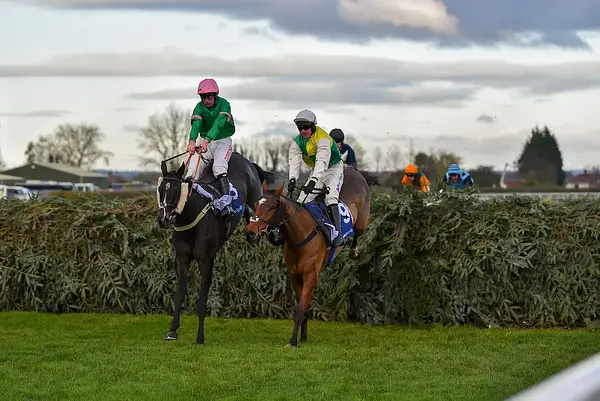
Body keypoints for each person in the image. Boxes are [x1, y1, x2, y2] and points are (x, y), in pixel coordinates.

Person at [288, 109, 345, 246]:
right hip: (317, 171)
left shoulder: (323, 138)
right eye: (300, 128)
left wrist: (313, 181)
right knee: (302, 199)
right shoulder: (297, 142)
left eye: (306, 127)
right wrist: (292, 179)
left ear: (313, 126)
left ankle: (338, 234)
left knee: (331, 198)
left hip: (333, 169)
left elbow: (322, 162)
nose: (303, 131)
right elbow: (294, 161)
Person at [184, 78, 236, 215]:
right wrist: (192, 141)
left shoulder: (224, 104)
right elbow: (196, 125)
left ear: (215, 95)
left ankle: (226, 202)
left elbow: (218, 123)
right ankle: (186, 199)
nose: (206, 100)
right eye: (203, 97)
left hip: (223, 141)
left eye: (209, 97)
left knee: (218, 167)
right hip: (206, 141)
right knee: (192, 168)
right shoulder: (199, 107)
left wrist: (207, 140)